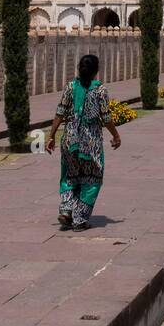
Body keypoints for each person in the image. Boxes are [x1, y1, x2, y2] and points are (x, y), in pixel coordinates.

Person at [46, 54, 121, 231]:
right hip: (91, 144)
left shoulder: (70, 87)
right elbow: (106, 117)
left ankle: (66, 209)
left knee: (69, 176)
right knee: (92, 179)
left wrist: (51, 136)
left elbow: (60, 112)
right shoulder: (100, 90)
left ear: (79, 69)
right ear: (96, 71)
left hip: (70, 141)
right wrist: (116, 136)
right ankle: (79, 218)